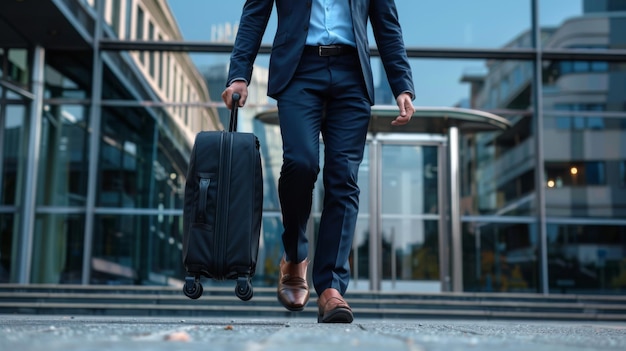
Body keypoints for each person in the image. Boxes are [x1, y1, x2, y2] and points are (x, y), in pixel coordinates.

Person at [222, 0, 415, 323]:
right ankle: (295, 254)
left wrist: (402, 85)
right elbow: (255, 14)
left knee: (344, 177)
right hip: (299, 70)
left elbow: (387, 24)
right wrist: (239, 74)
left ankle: (331, 288)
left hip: (352, 73)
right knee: (301, 162)